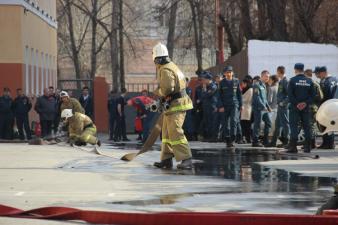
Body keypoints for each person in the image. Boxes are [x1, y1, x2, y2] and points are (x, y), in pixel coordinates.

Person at [151, 43, 193, 170]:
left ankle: (187, 159)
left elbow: (168, 88)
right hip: (175, 105)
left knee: (175, 131)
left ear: (157, 58)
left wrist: (157, 92)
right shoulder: (172, 66)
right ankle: (166, 159)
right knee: (167, 134)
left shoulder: (165, 69)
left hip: (176, 106)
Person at [287, 63, 315, 153]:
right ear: (303, 69)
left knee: (294, 126)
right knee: (307, 127)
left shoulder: (292, 80)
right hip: (306, 108)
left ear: (295, 69)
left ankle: (293, 147)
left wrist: (297, 104)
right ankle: (308, 147)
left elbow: (290, 96)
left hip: (295, 108)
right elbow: (313, 95)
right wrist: (305, 103)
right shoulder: (309, 81)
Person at [219, 66, 242, 147]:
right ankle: (227, 138)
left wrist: (241, 105)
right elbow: (220, 95)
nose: (228, 74)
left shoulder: (236, 81)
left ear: (232, 73)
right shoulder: (222, 83)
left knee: (233, 121)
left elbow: (239, 94)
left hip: (234, 104)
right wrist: (221, 106)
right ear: (224, 73)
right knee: (225, 123)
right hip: (225, 105)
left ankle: (233, 138)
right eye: (227, 72)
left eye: (230, 72)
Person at [267, 66, 290, 147]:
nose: (276, 73)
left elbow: (289, 95)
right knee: (277, 125)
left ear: (279, 72)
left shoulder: (286, 81)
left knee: (285, 124)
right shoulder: (281, 81)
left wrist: (283, 103)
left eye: (277, 72)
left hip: (283, 107)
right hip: (280, 107)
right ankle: (273, 142)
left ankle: (287, 141)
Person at [317, 66, 337, 149]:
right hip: (335, 104)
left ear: (324, 72)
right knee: (332, 125)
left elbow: (323, 96)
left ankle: (326, 144)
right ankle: (331, 143)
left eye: (319, 73)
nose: (318, 75)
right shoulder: (335, 79)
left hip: (327, 105)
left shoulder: (325, 82)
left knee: (325, 124)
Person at [252, 71, 272, 147]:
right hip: (258, 108)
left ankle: (265, 140)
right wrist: (263, 106)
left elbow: (264, 98)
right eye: (266, 76)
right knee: (257, 125)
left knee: (268, 123)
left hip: (264, 108)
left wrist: (268, 106)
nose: (268, 78)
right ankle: (255, 141)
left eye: (268, 77)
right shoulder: (256, 85)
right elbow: (257, 98)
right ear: (262, 76)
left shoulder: (263, 85)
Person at [305, 68, 323, 148]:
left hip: (307, 107)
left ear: (305, 74)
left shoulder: (306, 83)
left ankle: (310, 144)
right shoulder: (316, 83)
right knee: (312, 126)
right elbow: (321, 96)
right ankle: (312, 143)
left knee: (309, 126)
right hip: (315, 108)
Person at [200, 71, 218, 142]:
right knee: (207, 122)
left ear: (208, 79)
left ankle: (213, 137)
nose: (203, 81)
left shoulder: (213, 86)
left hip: (212, 107)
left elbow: (206, 95)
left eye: (204, 79)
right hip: (206, 107)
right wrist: (204, 91)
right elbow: (202, 96)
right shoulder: (206, 87)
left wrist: (204, 90)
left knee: (212, 122)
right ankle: (208, 136)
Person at [240, 78, 253, 143]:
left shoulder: (250, 90)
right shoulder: (244, 90)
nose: (242, 85)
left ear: (246, 83)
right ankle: (244, 138)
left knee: (247, 125)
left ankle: (249, 138)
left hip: (247, 109)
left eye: (243, 84)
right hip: (243, 109)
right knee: (243, 125)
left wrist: (240, 99)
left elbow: (247, 99)